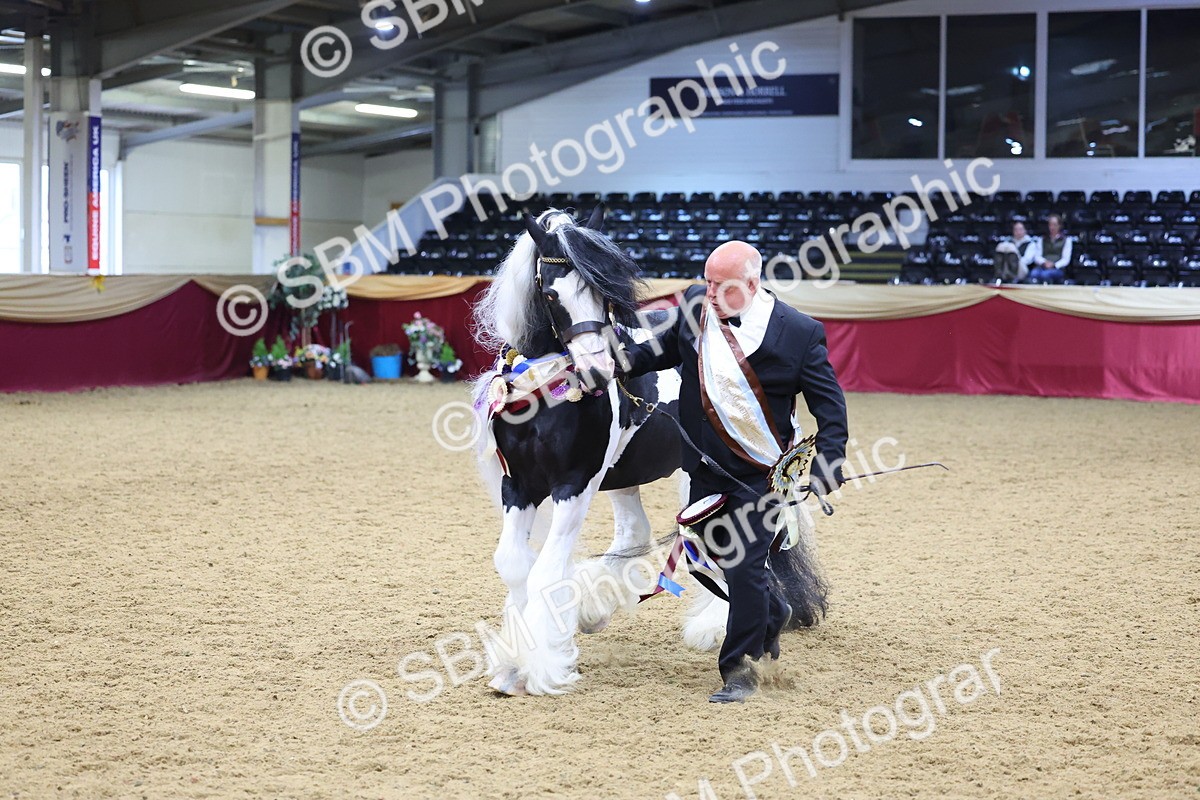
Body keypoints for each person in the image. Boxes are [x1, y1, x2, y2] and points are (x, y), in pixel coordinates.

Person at [618, 241, 849, 703]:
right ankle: (773, 610)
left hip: (760, 476)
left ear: (752, 284)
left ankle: (739, 671)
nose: (710, 293)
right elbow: (660, 352)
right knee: (720, 558)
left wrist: (829, 461)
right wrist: (613, 361)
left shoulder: (800, 334)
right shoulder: (695, 307)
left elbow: (830, 406)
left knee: (743, 569)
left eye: (721, 287)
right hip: (702, 469)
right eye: (706, 282)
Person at [1027, 214, 1073, 284]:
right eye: (1050, 225)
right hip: (1043, 266)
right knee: (1034, 273)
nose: (1052, 227)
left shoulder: (1066, 240)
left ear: (1059, 226)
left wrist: (1054, 265)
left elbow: (1066, 259)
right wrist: (1044, 262)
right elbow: (1037, 256)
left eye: (1054, 225)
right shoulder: (1042, 239)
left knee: (1045, 275)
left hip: (1058, 268)